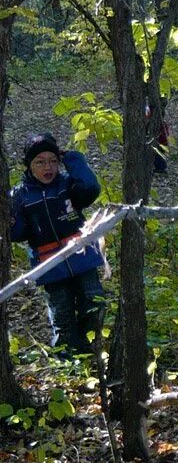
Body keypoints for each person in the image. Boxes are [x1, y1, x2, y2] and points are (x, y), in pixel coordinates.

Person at [9, 133, 106, 356]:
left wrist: (72, 158)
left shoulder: (68, 185)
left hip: (82, 259)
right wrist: (11, 222)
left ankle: (90, 349)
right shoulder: (20, 196)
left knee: (93, 303)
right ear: (29, 166)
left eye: (53, 160)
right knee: (62, 316)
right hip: (50, 266)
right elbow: (19, 233)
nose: (47, 167)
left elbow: (91, 188)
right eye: (40, 162)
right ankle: (68, 358)